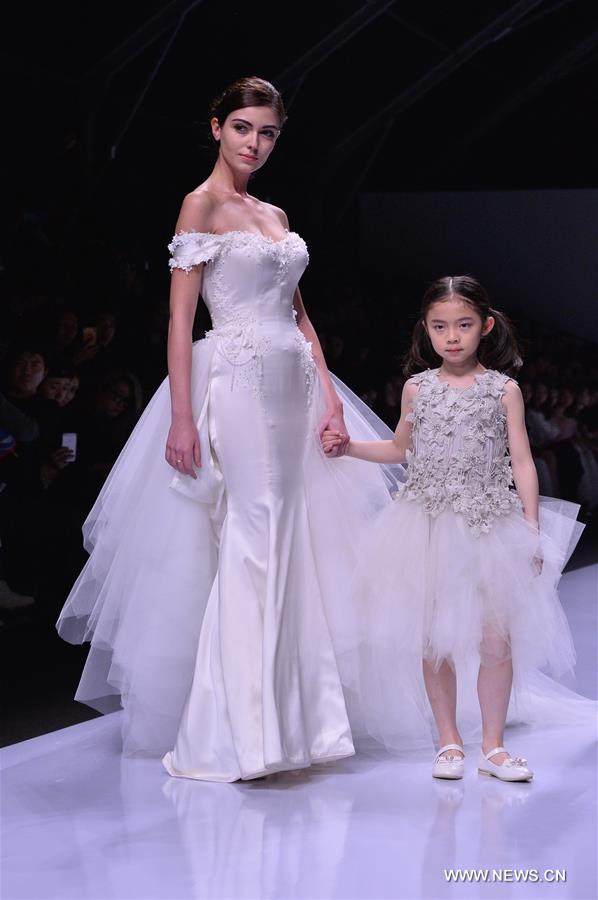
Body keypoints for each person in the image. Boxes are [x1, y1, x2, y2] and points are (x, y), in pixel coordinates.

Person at [56, 77, 402, 782]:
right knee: (254, 531)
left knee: (288, 535)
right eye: (243, 127)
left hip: (295, 386)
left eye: (268, 132)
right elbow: (181, 322)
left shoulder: (274, 212)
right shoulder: (201, 204)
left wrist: (331, 397)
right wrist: (182, 416)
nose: (256, 142)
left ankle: (293, 724)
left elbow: (301, 316)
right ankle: (237, 732)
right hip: (236, 382)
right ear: (215, 127)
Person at [322, 276, 588, 782]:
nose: (452, 337)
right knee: (433, 639)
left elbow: (523, 461)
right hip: (425, 524)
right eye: (440, 326)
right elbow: (401, 451)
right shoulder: (417, 388)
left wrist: (531, 527)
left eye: (464, 325)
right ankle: (447, 742)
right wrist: (350, 446)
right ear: (426, 329)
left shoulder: (503, 389)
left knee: (496, 640)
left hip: (489, 524)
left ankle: (493, 746)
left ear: (485, 327)